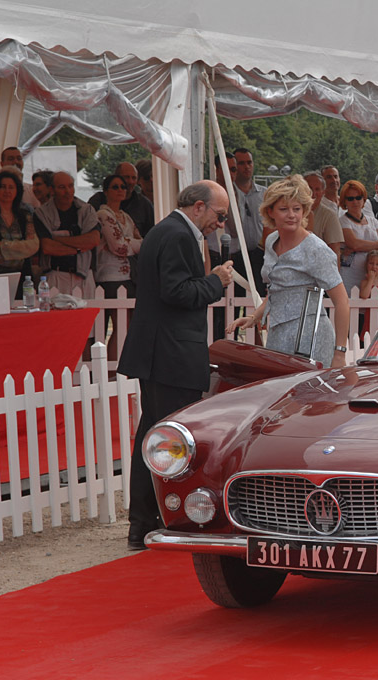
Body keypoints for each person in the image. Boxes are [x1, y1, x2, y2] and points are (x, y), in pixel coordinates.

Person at [117, 180, 234, 550]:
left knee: (150, 439)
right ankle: (170, 519)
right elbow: (178, 292)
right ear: (198, 207)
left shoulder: (162, 231)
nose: (221, 223)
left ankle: (143, 522)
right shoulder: (180, 236)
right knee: (172, 443)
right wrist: (216, 282)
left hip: (156, 351)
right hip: (171, 354)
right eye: (220, 215)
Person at [228, 175, 350, 367]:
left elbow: (342, 300)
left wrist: (340, 353)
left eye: (297, 209)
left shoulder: (316, 249)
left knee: (308, 395)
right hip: (278, 334)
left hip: (312, 337)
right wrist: (255, 316)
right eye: (284, 209)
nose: (291, 215)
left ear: (304, 211)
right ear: (271, 212)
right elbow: (279, 289)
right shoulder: (271, 241)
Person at [33, 172, 101, 296]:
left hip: (83, 275)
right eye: (62, 187)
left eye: (70, 186)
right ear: (51, 190)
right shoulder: (41, 213)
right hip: (56, 275)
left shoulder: (87, 210)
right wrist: (81, 247)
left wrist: (57, 238)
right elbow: (48, 247)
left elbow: (94, 240)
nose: (68, 191)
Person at [93, 173, 142, 300]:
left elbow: (142, 242)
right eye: (115, 187)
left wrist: (126, 241)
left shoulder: (126, 217)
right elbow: (119, 247)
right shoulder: (103, 215)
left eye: (123, 187)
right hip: (109, 276)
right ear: (105, 191)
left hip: (129, 276)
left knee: (128, 319)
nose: (120, 190)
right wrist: (129, 242)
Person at [0, 169, 40, 297]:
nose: (7, 191)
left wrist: (4, 247)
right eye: (3, 187)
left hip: (23, 277)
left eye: (11, 187)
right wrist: (20, 248)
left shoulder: (25, 215)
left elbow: (33, 245)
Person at [339, 180, 378, 293]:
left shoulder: (373, 221)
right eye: (350, 198)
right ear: (344, 201)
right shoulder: (342, 221)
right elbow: (353, 244)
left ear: (364, 199)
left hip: (373, 274)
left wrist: (361, 246)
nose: (355, 201)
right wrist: (377, 244)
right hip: (351, 274)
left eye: (358, 197)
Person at [232, 147, 267, 297]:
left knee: (258, 297)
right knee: (234, 298)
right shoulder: (228, 193)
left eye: (249, 162)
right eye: (241, 163)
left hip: (258, 255)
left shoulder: (265, 194)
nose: (246, 167)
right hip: (235, 255)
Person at [89, 162, 155, 237]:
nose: (130, 182)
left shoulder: (144, 204)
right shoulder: (98, 201)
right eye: (126, 177)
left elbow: (151, 234)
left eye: (134, 178)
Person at [304, 171, 344, 263]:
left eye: (317, 189)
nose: (313, 193)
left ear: (323, 192)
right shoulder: (290, 213)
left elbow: (335, 253)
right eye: (309, 188)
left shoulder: (329, 216)